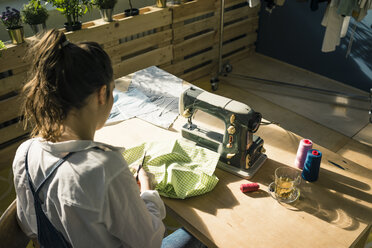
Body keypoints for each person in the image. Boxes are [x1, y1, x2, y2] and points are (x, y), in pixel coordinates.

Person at [12, 29, 206, 248]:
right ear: (102, 94)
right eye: (113, 91)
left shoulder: (26, 152)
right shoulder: (105, 168)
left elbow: (28, 226)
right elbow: (149, 242)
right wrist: (148, 191)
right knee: (200, 236)